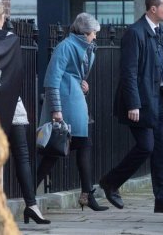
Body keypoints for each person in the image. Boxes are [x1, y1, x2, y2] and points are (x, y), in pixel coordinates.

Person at [99, 0, 163, 214]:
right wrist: (133, 104)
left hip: (161, 101)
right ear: (153, 9)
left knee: (162, 150)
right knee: (146, 146)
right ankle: (110, 182)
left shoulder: (160, 31)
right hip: (143, 101)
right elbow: (128, 72)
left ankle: (162, 199)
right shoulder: (134, 33)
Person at [0, 1, 50, 224]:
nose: (5, 20)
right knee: (13, 158)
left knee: (19, 156)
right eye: (2, 15)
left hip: (3, 104)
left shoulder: (5, 39)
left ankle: (32, 206)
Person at [36, 12, 108, 212]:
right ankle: (29, 192)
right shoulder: (65, 47)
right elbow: (52, 80)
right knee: (54, 152)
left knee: (79, 147)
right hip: (67, 104)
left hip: (75, 100)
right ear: (85, 33)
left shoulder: (85, 48)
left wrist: (82, 83)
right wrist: (56, 110)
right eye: (93, 33)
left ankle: (87, 194)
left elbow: (74, 74)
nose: (95, 36)